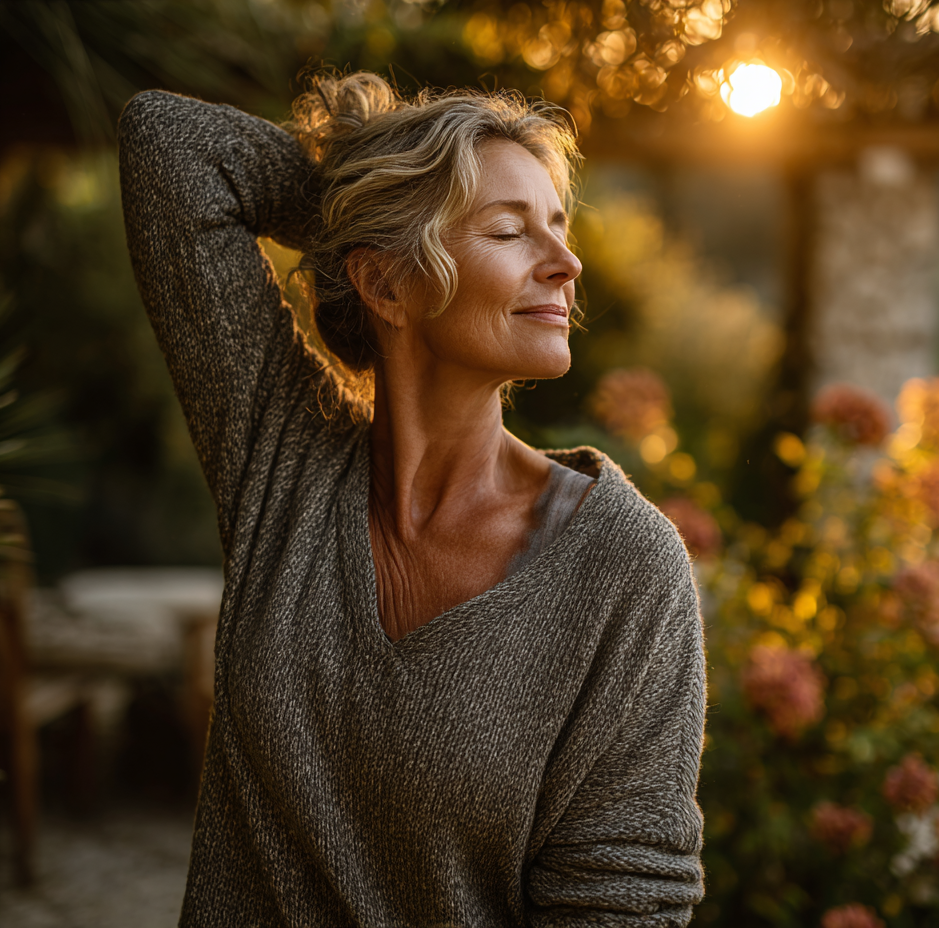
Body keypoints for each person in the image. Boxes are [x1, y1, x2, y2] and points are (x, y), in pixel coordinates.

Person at [118, 72, 706, 927]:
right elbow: (165, 147)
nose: (567, 263)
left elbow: (624, 900)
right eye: (509, 229)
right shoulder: (285, 463)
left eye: (559, 226)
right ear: (388, 287)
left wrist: (382, 214)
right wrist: (372, 198)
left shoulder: (625, 568)